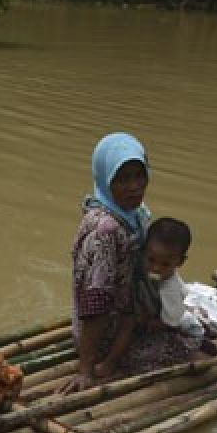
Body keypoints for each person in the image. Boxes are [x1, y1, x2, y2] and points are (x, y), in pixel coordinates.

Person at [62, 133, 198, 393]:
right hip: (105, 334)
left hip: (128, 315)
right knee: (188, 354)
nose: (135, 186)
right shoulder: (106, 230)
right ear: (105, 178)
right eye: (123, 179)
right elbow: (96, 301)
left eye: (140, 175)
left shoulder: (132, 213)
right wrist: (86, 369)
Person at [139, 217, 204, 342]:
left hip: (170, 325)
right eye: (151, 260)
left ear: (180, 262)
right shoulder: (139, 270)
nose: (155, 268)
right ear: (143, 252)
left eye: (165, 264)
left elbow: (170, 323)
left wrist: (146, 322)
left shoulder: (170, 291)